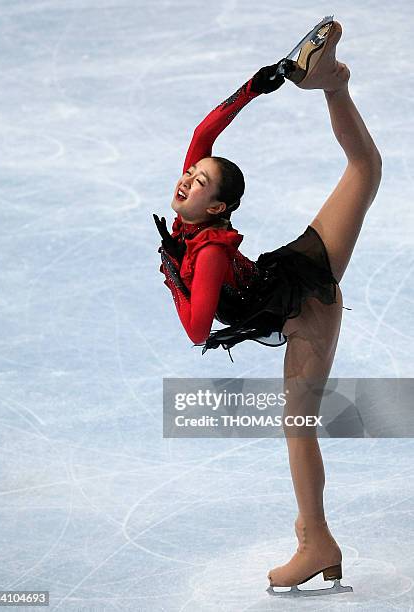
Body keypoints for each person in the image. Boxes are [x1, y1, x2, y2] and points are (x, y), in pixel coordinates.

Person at [154, 19, 382, 594]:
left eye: (199, 181)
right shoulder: (198, 225)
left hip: (303, 309)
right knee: (365, 170)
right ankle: (332, 83)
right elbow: (206, 130)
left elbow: (196, 329)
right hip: (290, 273)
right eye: (189, 173)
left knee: (297, 426)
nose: (187, 179)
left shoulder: (205, 253)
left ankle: (317, 543)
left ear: (219, 205)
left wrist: (172, 280)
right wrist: (262, 83)